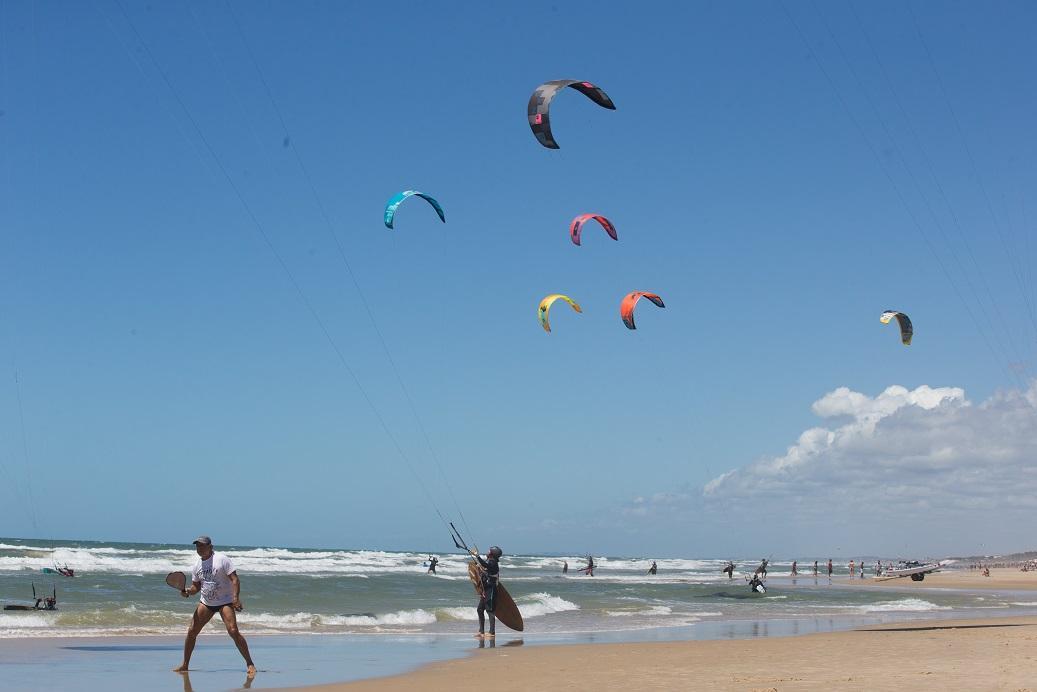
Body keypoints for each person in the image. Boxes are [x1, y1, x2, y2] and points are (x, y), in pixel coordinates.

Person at [174, 536, 256, 678]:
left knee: (233, 631)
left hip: (225, 602)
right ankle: (185, 664)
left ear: (210, 547)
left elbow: (235, 579)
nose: (199, 549)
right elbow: (196, 587)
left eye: (202, 546)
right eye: (197, 546)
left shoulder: (222, 559)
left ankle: (250, 663)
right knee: (192, 631)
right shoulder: (197, 566)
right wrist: (187, 591)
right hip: (206, 603)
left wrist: (236, 599)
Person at [470, 546, 502, 639]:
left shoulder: (493, 562)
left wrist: (477, 556)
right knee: (480, 609)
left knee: (490, 610)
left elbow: (485, 565)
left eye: (489, 551)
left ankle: (492, 632)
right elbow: (486, 570)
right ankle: (481, 631)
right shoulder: (491, 562)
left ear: (492, 553)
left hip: (491, 590)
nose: (487, 552)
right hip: (485, 589)